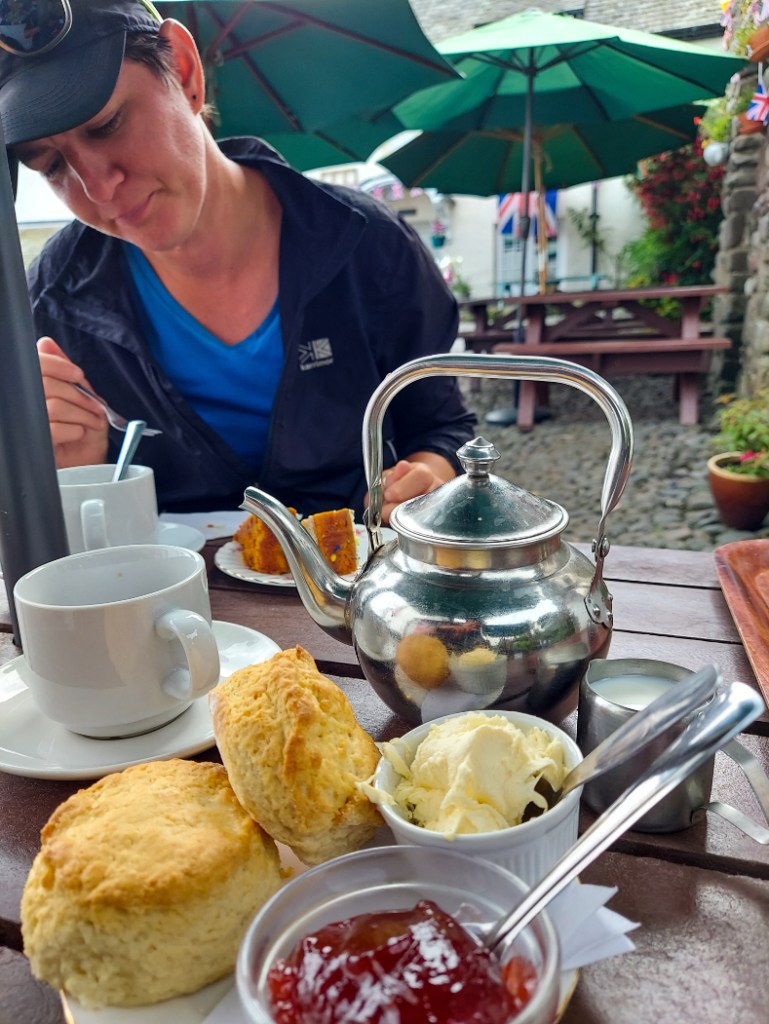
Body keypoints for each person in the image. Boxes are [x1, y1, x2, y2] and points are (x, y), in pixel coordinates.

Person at [0, 0, 475, 523]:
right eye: (52, 165)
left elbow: (441, 428)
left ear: (184, 70)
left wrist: (425, 479)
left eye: (107, 125)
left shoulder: (367, 243)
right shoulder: (52, 303)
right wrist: (73, 473)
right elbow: (70, 529)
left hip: (352, 564)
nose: (98, 188)